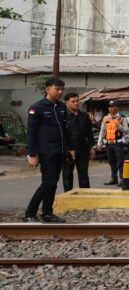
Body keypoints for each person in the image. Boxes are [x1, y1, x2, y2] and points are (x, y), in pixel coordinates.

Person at [23, 78, 75, 223]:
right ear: (47, 89)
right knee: (48, 182)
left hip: (60, 151)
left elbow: (66, 129)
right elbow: (31, 133)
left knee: (53, 182)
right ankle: (29, 214)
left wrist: (71, 148)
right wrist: (32, 154)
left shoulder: (62, 107)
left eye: (62, 89)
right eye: (57, 89)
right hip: (46, 151)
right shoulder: (37, 108)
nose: (60, 92)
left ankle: (47, 213)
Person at [62, 92, 94, 191]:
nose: (76, 103)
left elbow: (89, 133)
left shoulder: (85, 116)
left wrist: (92, 146)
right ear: (66, 103)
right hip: (68, 151)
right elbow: (61, 135)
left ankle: (85, 197)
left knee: (84, 175)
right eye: (73, 101)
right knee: (67, 176)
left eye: (77, 101)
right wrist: (67, 149)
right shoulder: (63, 116)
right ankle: (68, 197)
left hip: (83, 150)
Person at [97, 100, 129, 185]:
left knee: (120, 161)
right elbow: (102, 131)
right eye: (109, 106)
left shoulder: (122, 118)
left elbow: (127, 130)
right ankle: (114, 179)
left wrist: (119, 126)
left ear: (117, 108)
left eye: (113, 106)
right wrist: (99, 143)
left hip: (118, 143)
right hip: (108, 143)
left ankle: (122, 179)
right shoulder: (105, 118)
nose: (110, 108)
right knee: (111, 161)